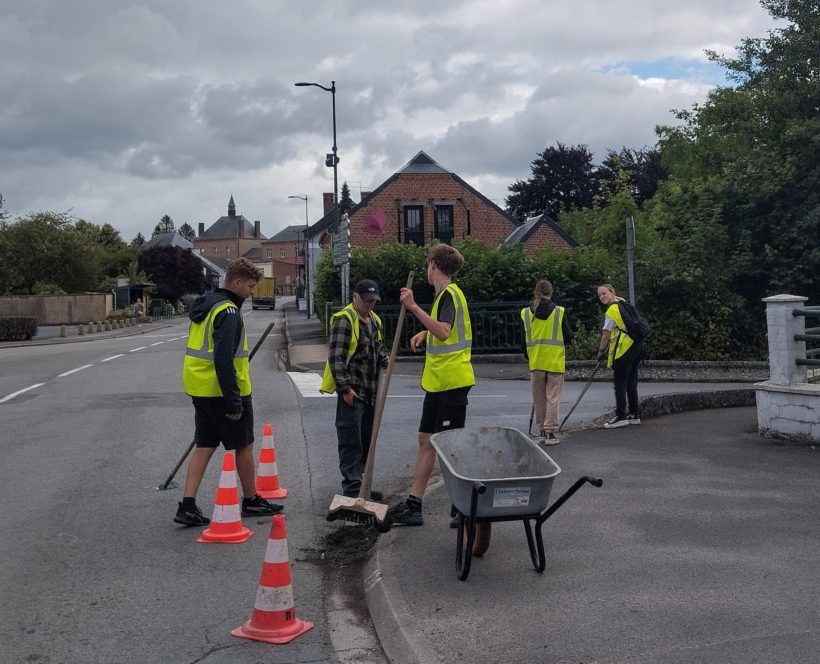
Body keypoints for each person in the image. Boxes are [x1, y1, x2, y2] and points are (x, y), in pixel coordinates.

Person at [174, 258, 283, 526]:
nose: (252, 291)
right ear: (236, 283)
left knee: (205, 444)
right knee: (243, 445)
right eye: (249, 286)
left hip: (200, 388)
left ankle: (187, 505)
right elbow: (223, 359)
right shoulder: (229, 313)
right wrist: (233, 402)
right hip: (223, 392)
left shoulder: (207, 307)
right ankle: (251, 500)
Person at [388, 244, 474, 526]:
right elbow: (441, 328)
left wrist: (413, 307)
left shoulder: (449, 293)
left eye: (428, 264)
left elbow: (445, 331)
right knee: (426, 440)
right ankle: (414, 505)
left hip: (452, 382)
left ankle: (462, 507)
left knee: (450, 447)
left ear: (434, 265)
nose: (427, 269)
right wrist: (426, 333)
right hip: (438, 382)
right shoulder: (444, 296)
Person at [320, 279, 387, 499]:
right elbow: (336, 358)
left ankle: (363, 486)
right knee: (351, 441)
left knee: (367, 441)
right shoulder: (344, 320)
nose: (370, 305)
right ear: (355, 297)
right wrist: (345, 389)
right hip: (353, 392)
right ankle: (352, 489)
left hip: (371, 392)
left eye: (373, 301)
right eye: (366, 301)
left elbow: (376, 351)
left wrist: (383, 358)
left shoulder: (374, 321)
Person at [521, 280, 573, 445]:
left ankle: (542, 430)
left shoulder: (526, 313)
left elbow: (523, 340)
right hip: (555, 361)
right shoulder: (559, 312)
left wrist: (529, 356)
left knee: (539, 399)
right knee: (552, 398)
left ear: (536, 292)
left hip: (536, 361)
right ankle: (550, 433)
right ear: (551, 292)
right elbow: (568, 336)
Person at [596, 283, 643, 429]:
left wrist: (601, 351)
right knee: (631, 382)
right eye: (599, 295)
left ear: (611, 292)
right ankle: (635, 415)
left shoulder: (612, 309)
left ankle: (621, 416)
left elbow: (606, 333)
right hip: (636, 346)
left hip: (624, 349)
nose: (602, 297)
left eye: (604, 293)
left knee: (620, 383)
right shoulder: (624, 304)